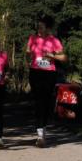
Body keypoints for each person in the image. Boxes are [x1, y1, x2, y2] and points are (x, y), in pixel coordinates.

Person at [25, 17, 67, 147]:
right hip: (36, 73)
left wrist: (52, 56)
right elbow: (27, 52)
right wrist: (28, 59)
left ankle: (44, 129)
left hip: (49, 73)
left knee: (46, 102)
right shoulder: (32, 38)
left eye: (41, 27)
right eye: (38, 26)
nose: (39, 29)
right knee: (38, 102)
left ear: (47, 28)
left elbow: (64, 57)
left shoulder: (54, 40)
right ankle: (40, 134)